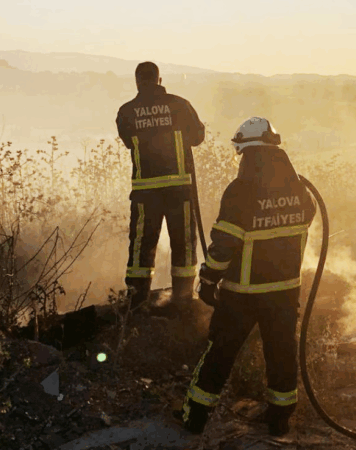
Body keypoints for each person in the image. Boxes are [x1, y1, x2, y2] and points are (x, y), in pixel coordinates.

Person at [174, 117, 316, 437]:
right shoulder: (300, 188)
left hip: (243, 292)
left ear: (247, 150)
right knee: (281, 353)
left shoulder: (241, 190)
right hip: (285, 289)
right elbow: (303, 221)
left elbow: (224, 243)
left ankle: (194, 417)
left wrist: (208, 280)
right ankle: (279, 421)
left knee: (220, 353)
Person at [115, 62, 205, 315]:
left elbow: (127, 141)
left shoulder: (127, 111)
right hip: (180, 191)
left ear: (137, 81)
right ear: (159, 79)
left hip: (146, 192)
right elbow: (198, 137)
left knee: (141, 245)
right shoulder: (179, 105)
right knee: (184, 244)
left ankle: (137, 300)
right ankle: (183, 299)